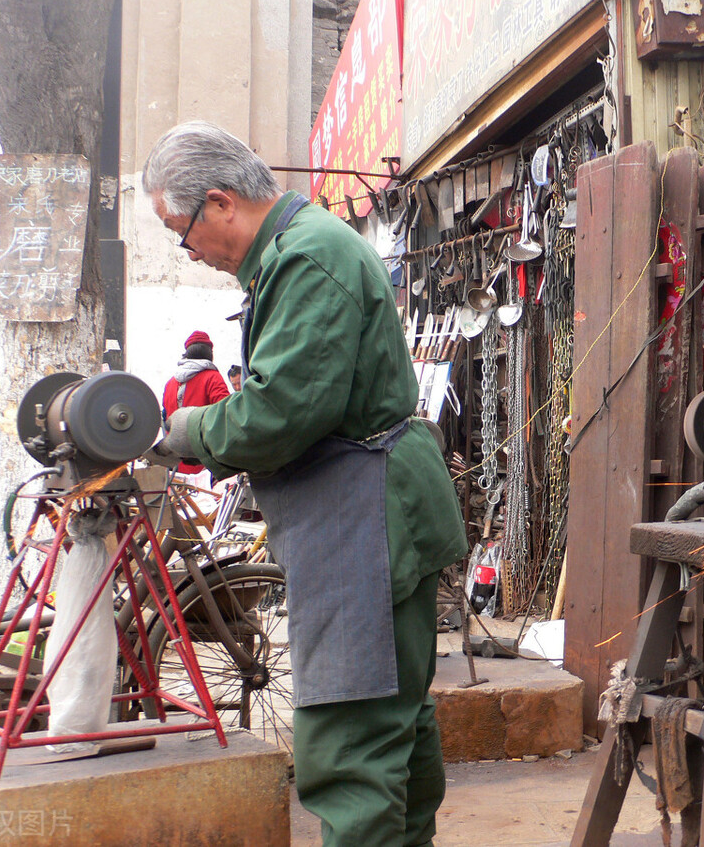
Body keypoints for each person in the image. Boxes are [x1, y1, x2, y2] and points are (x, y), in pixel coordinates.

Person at [140, 120, 468, 847]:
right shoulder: (298, 250)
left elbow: (279, 413)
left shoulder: (308, 257)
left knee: (350, 748)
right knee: (393, 722)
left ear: (221, 203)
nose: (185, 247)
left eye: (180, 228)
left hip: (363, 518)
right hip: (369, 512)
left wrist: (181, 431)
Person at [161, 330, 229, 476]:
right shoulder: (213, 378)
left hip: (175, 465)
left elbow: (165, 418)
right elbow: (226, 415)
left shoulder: (170, 383)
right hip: (205, 463)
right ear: (209, 353)